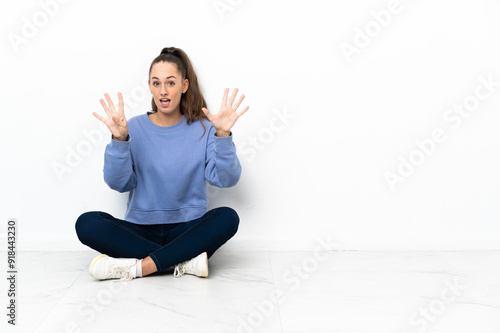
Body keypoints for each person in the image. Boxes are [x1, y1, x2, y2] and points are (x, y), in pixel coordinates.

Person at [75, 47, 249, 281]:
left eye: (170, 83)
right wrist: (120, 140)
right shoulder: (132, 127)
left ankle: (138, 268)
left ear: (184, 86)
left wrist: (223, 135)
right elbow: (118, 183)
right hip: (140, 230)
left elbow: (227, 179)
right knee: (87, 224)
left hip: (187, 229)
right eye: (156, 83)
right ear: (149, 87)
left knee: (227, 217)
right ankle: (183, 261)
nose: (163, 91)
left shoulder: (205, 129)